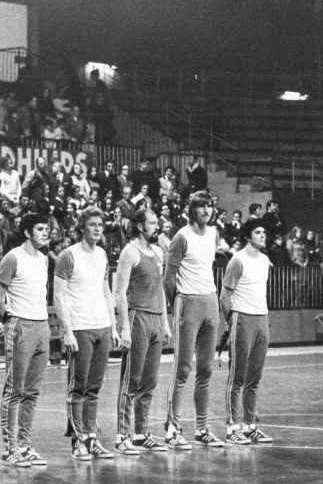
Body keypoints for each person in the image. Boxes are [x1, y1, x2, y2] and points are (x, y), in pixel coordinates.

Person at [54, 207, 120, 462]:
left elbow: (105, 290)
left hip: (101, 325)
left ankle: (91, 438)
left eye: (100, 224)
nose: (97, 229)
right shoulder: (68, 256)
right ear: (82, 227)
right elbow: (58, 295)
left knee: (94, 387)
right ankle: (77, 440)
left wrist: (113, 326)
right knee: (78, 387)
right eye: (92, 224)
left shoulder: (102, 254)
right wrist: (66, 330)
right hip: (80, 327)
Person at [163, 191, 223, 448]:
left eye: (209, 206)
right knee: (183, 367)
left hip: (210, 301)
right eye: (201, 206)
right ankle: (172, 429)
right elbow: (168, 278)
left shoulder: (213, 234)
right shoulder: (181, 237)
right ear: (192, 210)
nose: (206, 210)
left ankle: (202, 428)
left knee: (206, 369)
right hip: (188, 302)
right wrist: (178, 303)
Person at [0, 213, 51, 467]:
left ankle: (25, 445)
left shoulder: (44, 259)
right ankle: (9, 448)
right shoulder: (13, 257)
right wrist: (9, 321)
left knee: (32, 391)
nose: (45, 233)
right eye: (40, 229)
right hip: (21, 324)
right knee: (14, 390)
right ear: (27, 232)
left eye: (46, 229)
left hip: (41, 326)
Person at [113, 208, 171, 454]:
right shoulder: (129, 252)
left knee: (149, 381)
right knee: (131, 380)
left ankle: (140, 432)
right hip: (137, 318)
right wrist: (125, 326)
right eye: (152, 222)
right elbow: (119, 291)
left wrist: (165, 322)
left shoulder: (157, 252)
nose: (157, 226)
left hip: (156, 319)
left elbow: (160, 291)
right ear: (139, 226)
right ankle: (122, 435)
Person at [219, 218, 274, 445]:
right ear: (248, 236)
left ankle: (250, 425)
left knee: (255, 377)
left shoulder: (265, 260)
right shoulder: (237, 261)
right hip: (242, 318)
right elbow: (224, 296)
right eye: (258, 232)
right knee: (238, 376)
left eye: (264, 232)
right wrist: (231, 322)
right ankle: (232, 427)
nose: (263, 235)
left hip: (262, 318)